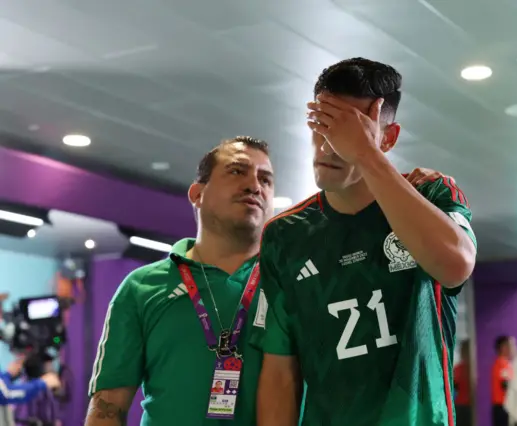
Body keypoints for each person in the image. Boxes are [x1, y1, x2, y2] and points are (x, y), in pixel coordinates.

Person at [84, 134, 444, 426]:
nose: (255, 186)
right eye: (237, 172)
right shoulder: (142, 288)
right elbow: (109, 407)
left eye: (266, 179)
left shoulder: (300, 277)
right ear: (197, 193)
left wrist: (399, 187)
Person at [253, 57, 477, 426]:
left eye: (350, 132)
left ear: (387, 137)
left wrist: (367, 153)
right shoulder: (285, 235)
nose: (328, 147)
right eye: (322, 127)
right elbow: (279, 372)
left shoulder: (432, 194)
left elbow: (455, 266)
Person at [0, 354, 60, 426]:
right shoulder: (30, 386)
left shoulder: (32, 387)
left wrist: (8, 374)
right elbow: (7, 393)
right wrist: (42, 383)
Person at [491, 335, 516, 426]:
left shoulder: (507, 364)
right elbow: (505, 385)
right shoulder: (501, 363)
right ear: (503, 347)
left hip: (507, 406)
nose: (514, 348)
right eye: (511, 345)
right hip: (502, 407)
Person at [453, 340, 472, 426]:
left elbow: (453, 388)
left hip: (461, 406)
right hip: (468, 406)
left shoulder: (457, 369)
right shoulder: (475, 369)